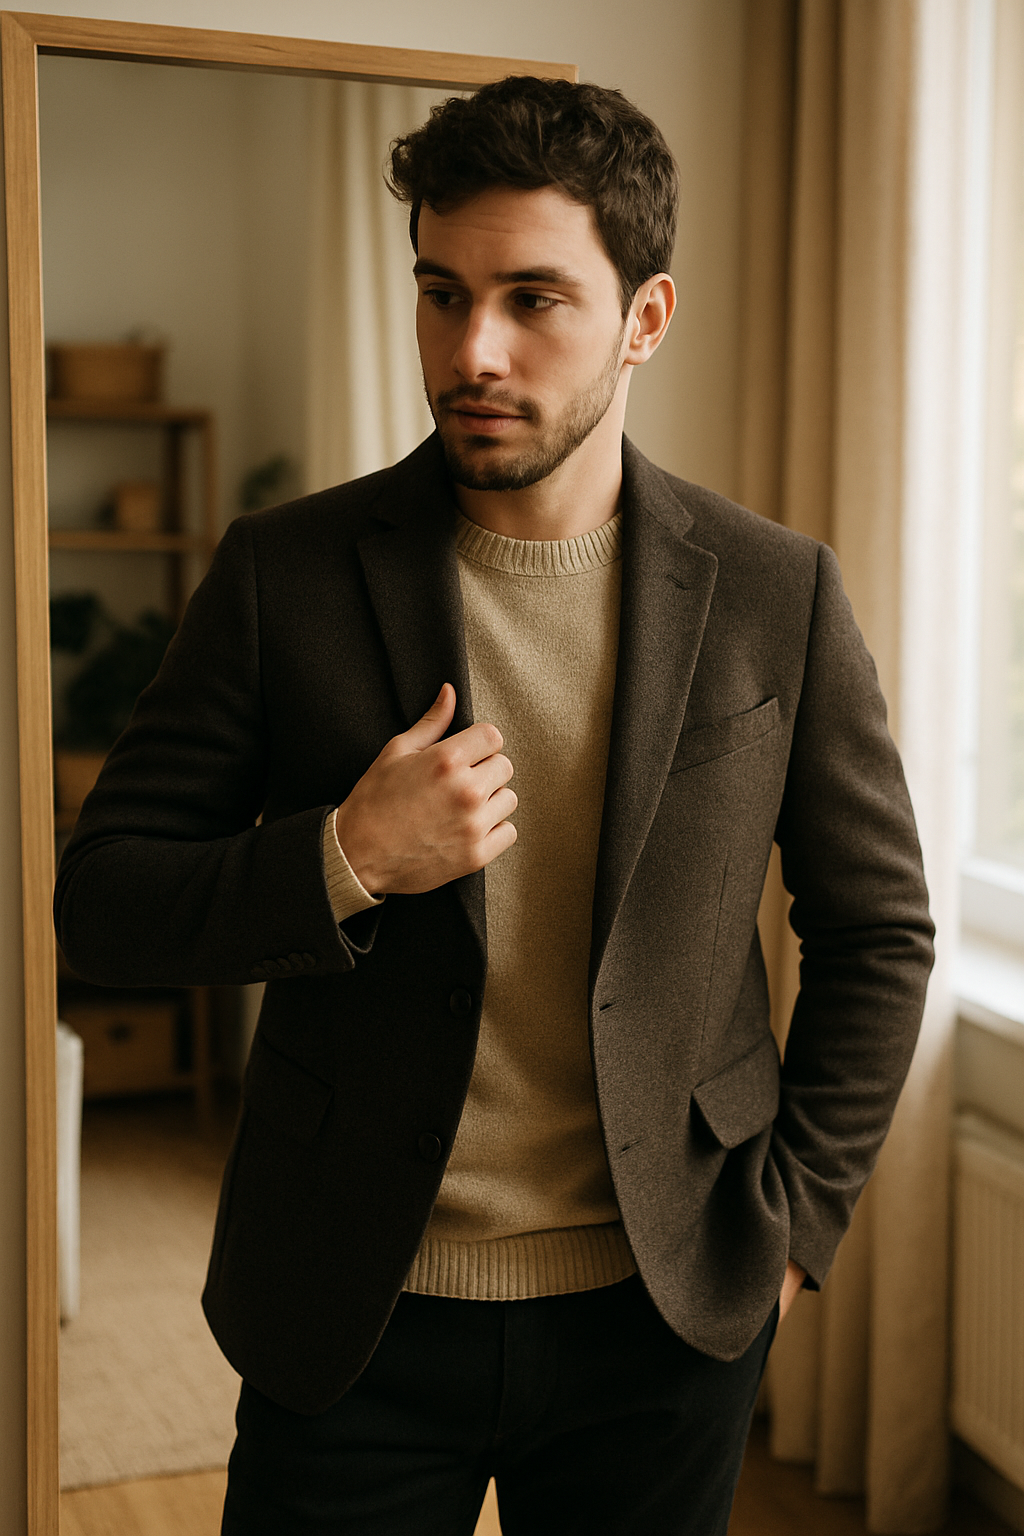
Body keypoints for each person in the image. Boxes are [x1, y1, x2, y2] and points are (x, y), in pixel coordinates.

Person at [54, 75, 934, 1536]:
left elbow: (881, 927)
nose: (474, 349)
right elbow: (108, 901)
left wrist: (793, 1225)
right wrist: (344, 858)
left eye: (535, 300)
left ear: (646, 317)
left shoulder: (777, 593)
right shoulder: (284, 574)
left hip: (661, 1317)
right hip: (355, 1313)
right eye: (442, 293)